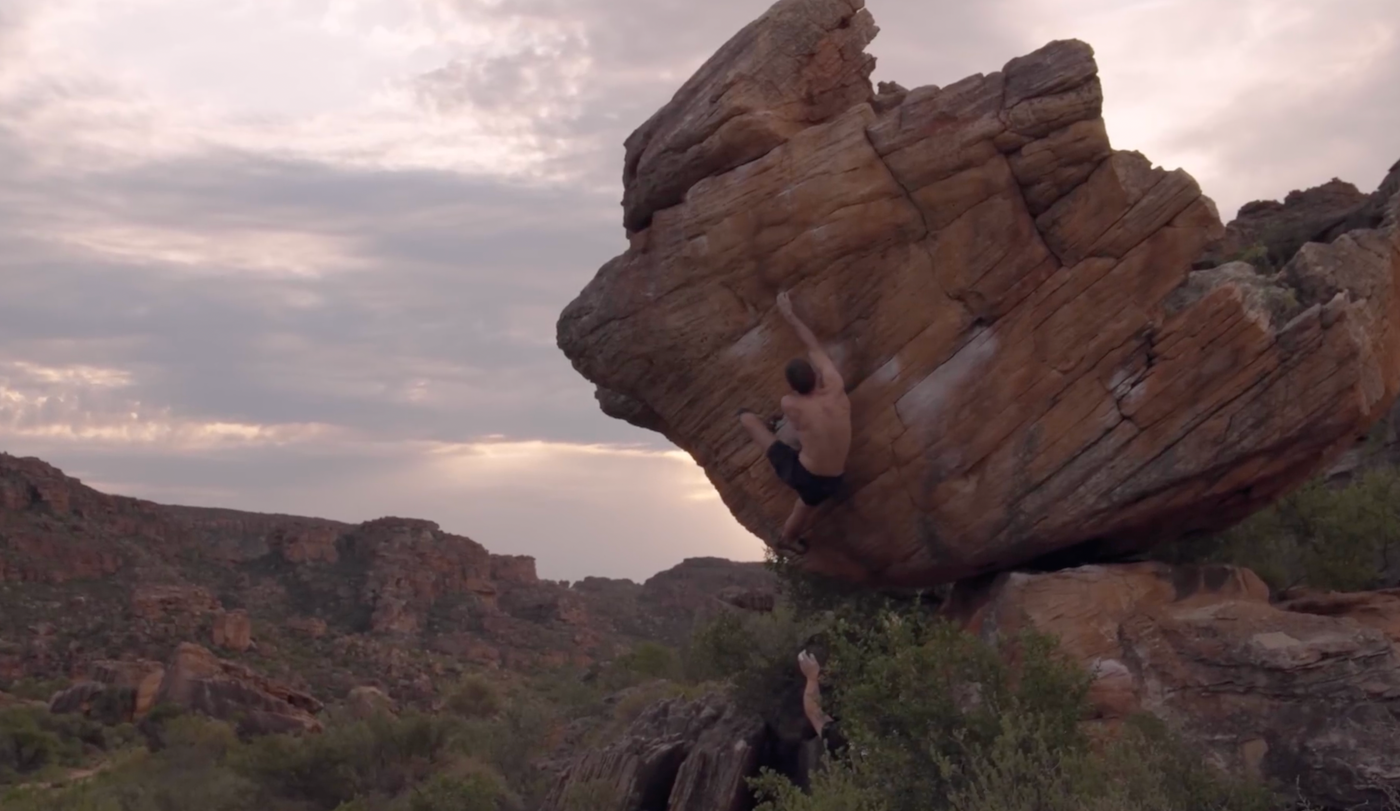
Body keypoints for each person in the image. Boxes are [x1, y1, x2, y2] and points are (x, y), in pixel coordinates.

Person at [736, 290, 852, 553]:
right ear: (816, 374)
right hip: (834, 479)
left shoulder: (791, 403)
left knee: (750, 419)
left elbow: (795, 425)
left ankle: (787, 542)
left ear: (791, 386)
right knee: (805, 503)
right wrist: (790, 315)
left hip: (807, 476)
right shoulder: (835, 385)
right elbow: (814, 348)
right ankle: (788, 540)